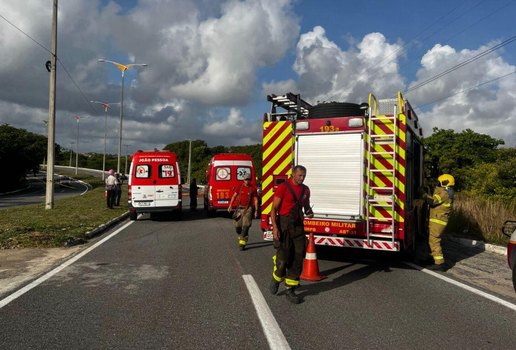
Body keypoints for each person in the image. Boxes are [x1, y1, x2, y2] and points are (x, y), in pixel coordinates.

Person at [269, 165, 313, 304]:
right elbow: (273, 209)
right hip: (284, 225)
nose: (302, 178)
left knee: (298, 257)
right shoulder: (283, 187)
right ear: (292, 174)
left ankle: (290, 289)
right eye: (299, 175)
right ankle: (277, 277)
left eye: (304, 176)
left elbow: (306, 206)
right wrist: (275, 228)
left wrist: (309, 212)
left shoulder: (306, 190)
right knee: (283, 258)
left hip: (298, 226)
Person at [422, 174, 455, 271]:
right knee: (431, 240)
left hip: (438, 221)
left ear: (444, 182)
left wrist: (422, 193)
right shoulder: (448, 192)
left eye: (439, 182)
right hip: (438, 220)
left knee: (434, 240)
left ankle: (439, 264)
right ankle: (432, 258)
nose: (438, 183)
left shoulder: (444, 193)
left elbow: (432, 201)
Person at [228, 173, 259, 251]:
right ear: (243, 180)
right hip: (239, 209)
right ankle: (242, 235)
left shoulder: (253, 188)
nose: (247, 181)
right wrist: (230, 205)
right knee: (237, 227)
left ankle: (242, 243)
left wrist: (256, 210)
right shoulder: (240, 186)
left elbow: (255, 199)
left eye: (248, 179)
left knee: (246, 226)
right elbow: (234, 196)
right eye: (246, 179)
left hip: (248, 209)